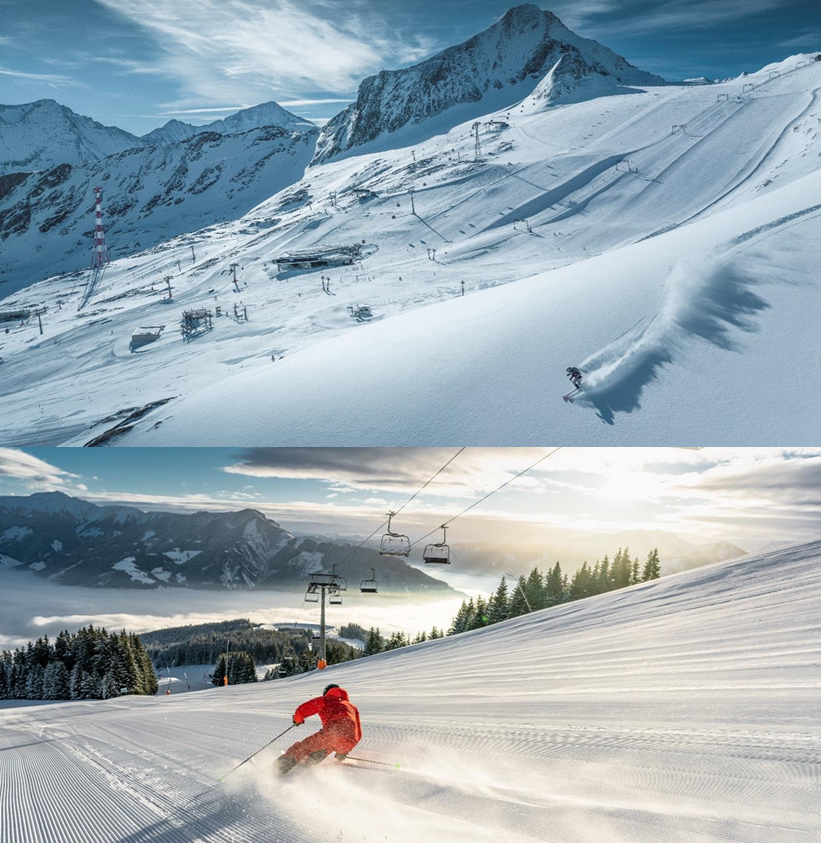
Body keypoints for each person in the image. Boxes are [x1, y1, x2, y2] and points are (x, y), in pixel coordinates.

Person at [275, 684, 362, 774]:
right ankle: (308, 762)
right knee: (326, 746)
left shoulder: (327, 699)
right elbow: (358, 732)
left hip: (332, 733)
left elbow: (303, 709)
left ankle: (276, 770)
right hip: (350, 739)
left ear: (326, 692)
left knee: (301, 748)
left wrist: (297, 720)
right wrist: (343, 750)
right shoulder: (352, 707)